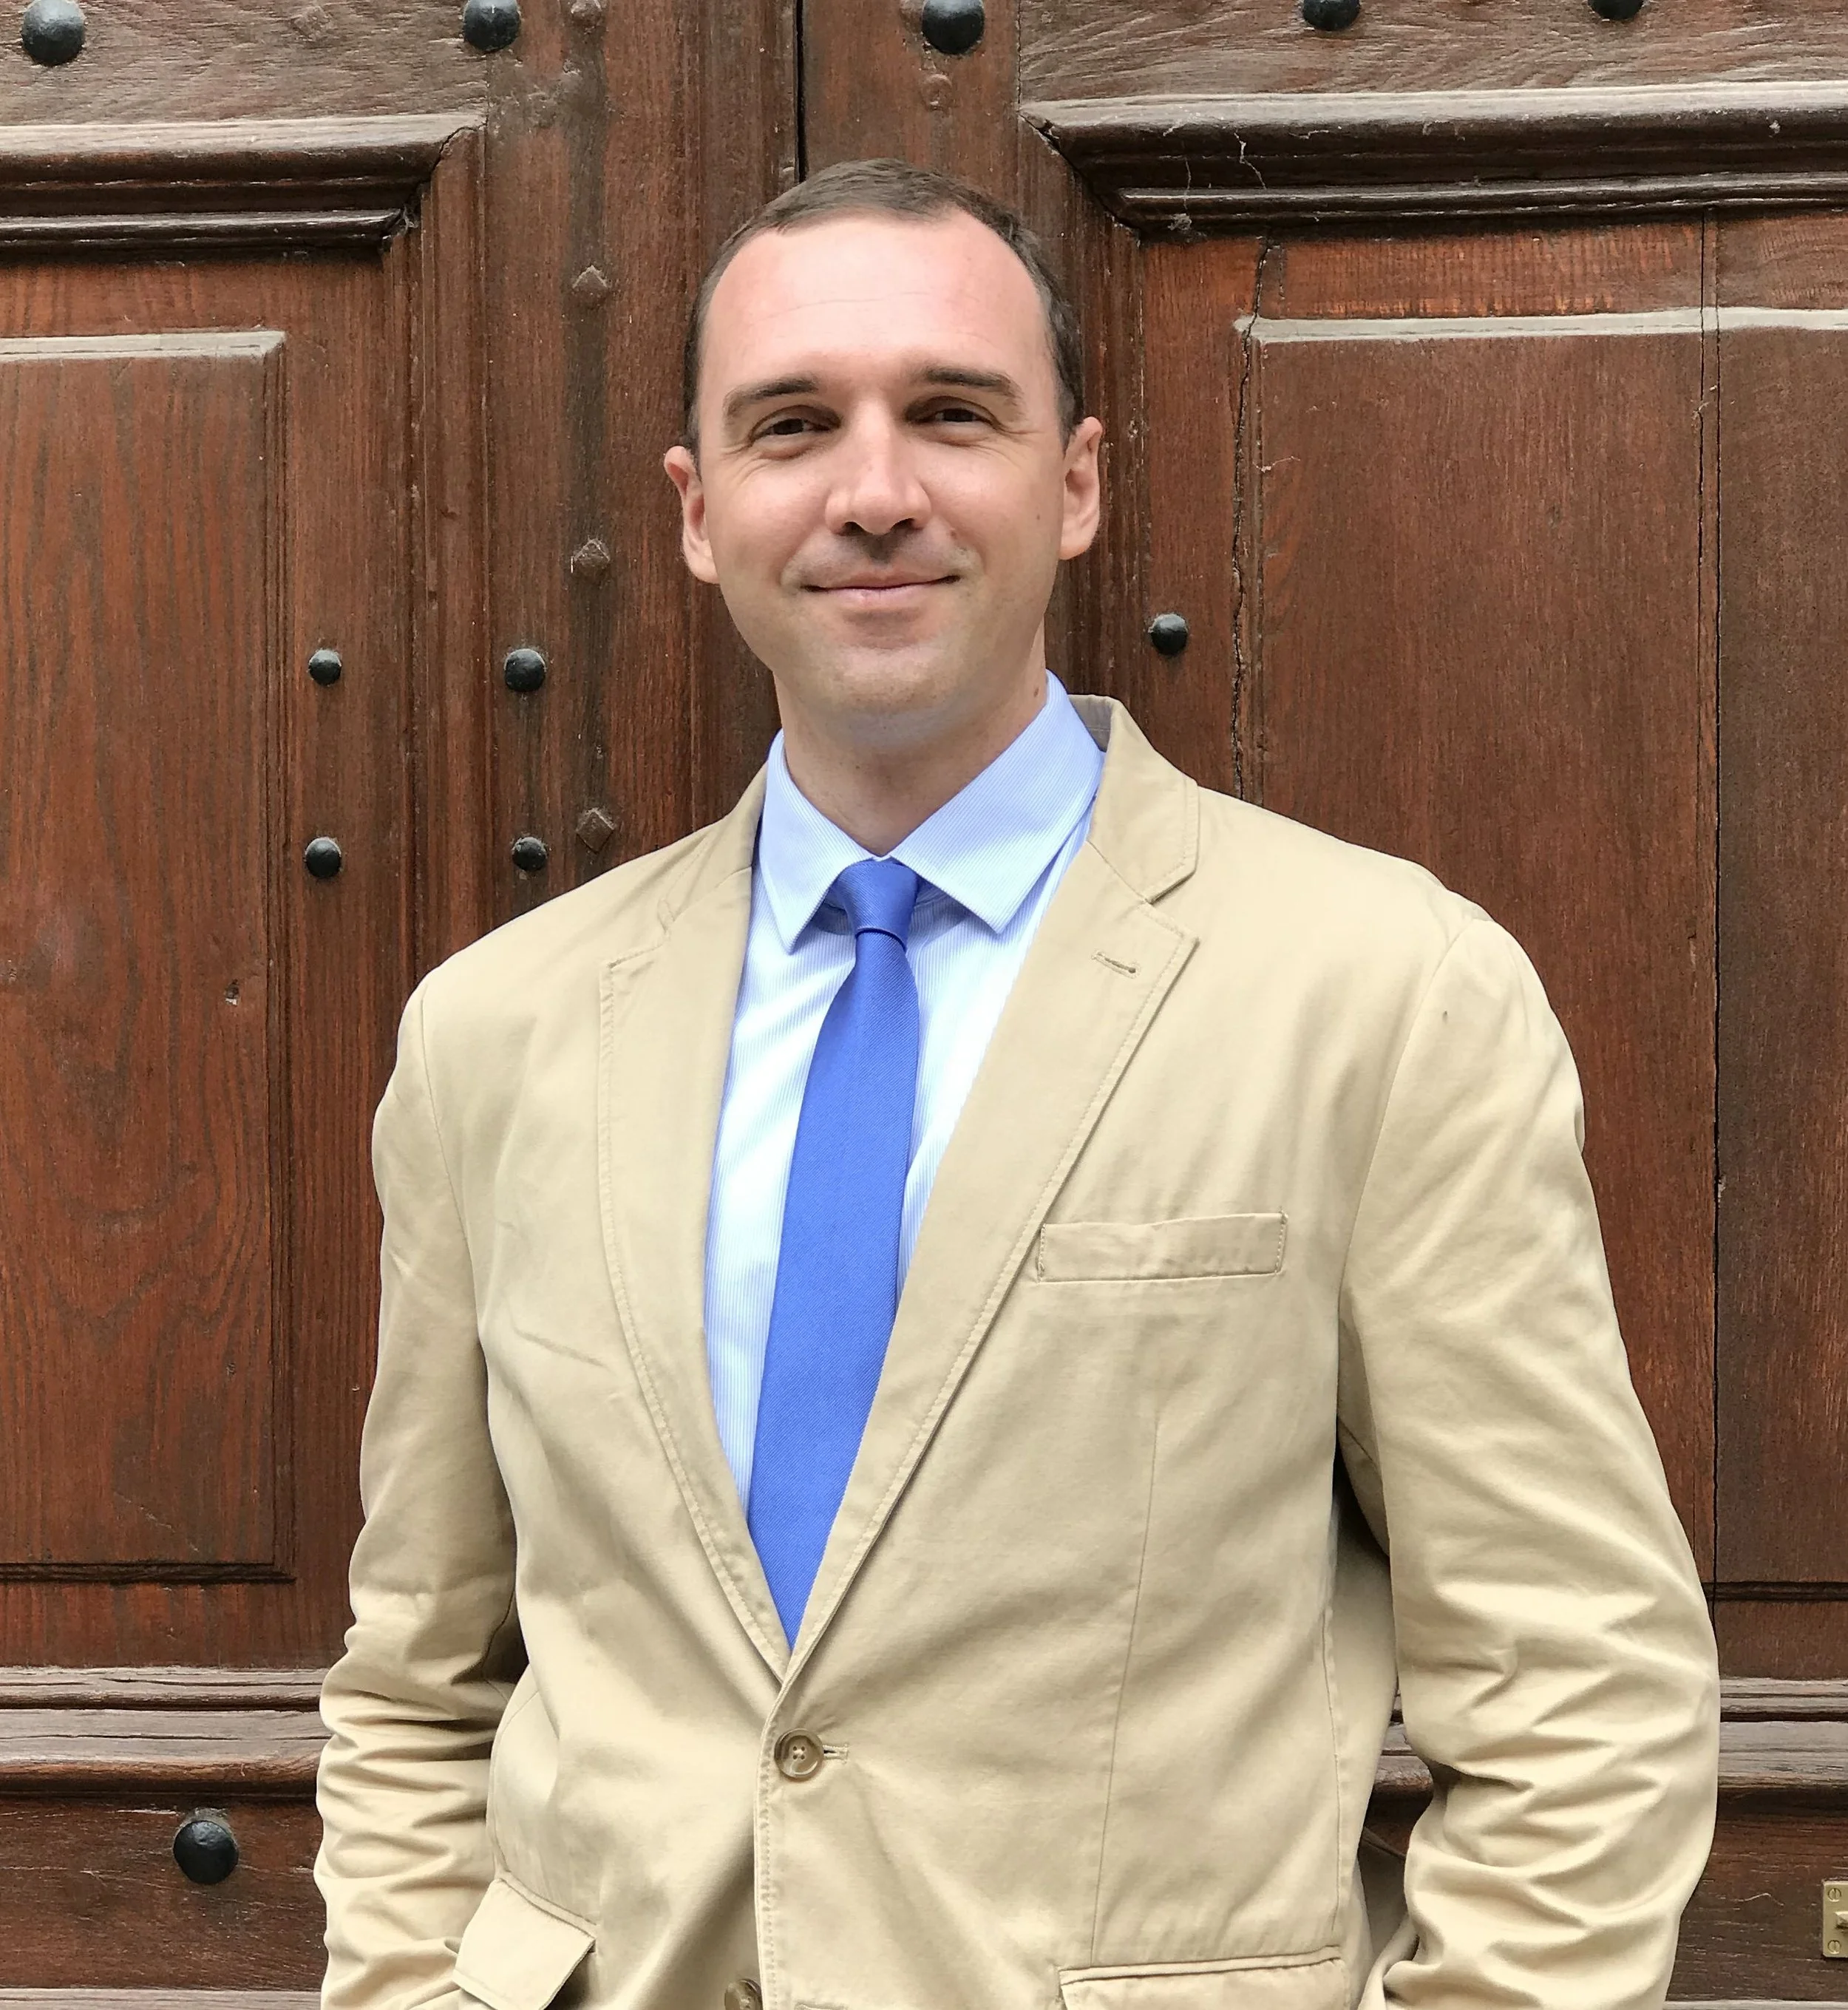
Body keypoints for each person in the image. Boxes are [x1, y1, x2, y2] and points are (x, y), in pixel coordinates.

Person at [315, 158, 1719, 2010]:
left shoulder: (1375, 994)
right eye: (793, 424)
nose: (874, 491)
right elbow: (421, 1676)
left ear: (1072, 485)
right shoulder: (498, 1032)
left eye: (951, 415)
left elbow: (1577, 1692)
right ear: (697, 508)